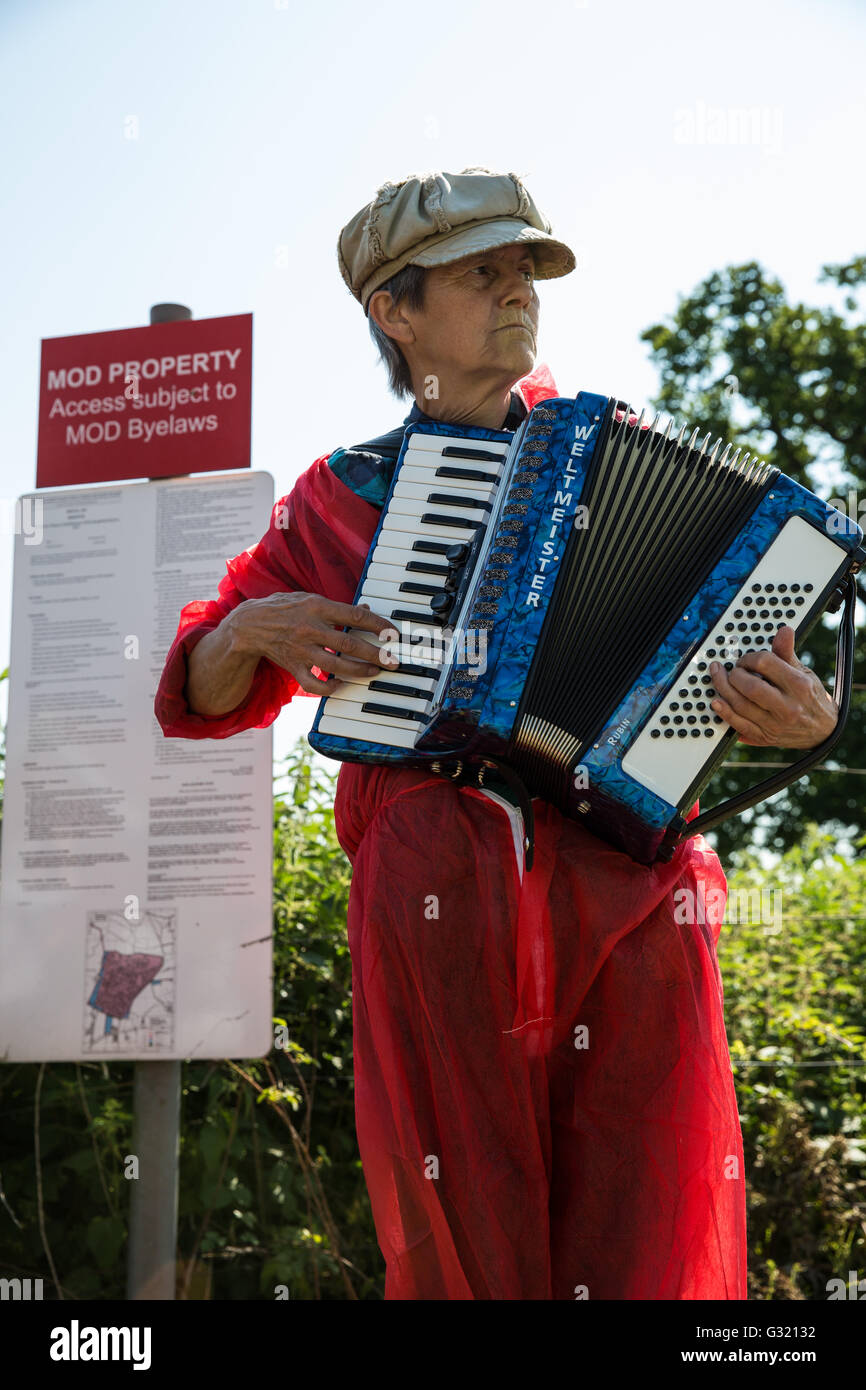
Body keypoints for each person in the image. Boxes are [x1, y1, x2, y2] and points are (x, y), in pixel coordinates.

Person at [154, 168, 840, 1300]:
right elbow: (198, 681)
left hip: (625, 893)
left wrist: (801, 717)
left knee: (643, 1222)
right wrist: (253, 629)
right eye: (483, 270)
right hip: (440, 901)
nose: (519, 287)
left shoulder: (612, 446)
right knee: (465, 1229)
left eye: (526, 266)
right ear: (395, 309)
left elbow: (731, 657)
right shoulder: (341, 498)